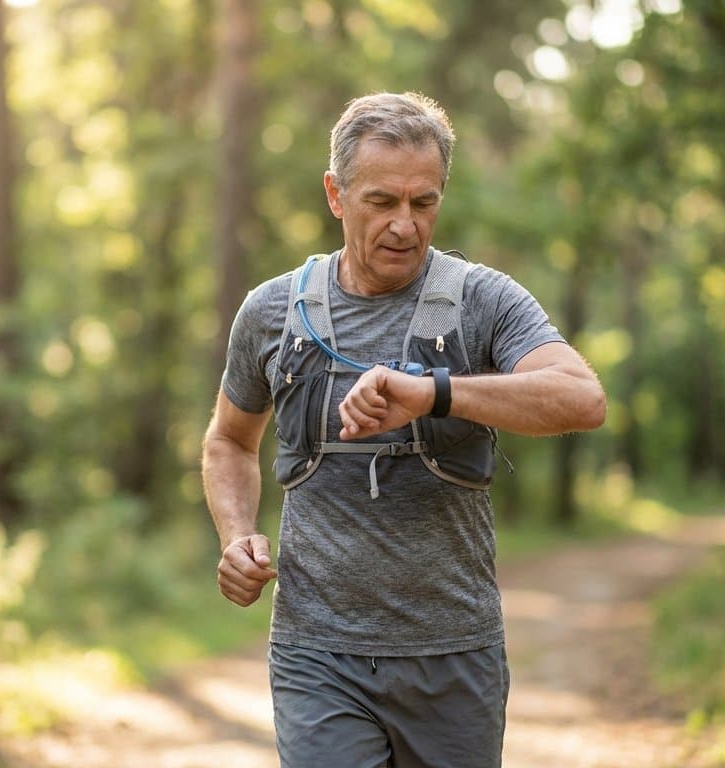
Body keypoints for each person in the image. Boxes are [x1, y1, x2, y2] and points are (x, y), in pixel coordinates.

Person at [201, 91, 606, 767]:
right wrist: (237, 535)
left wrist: (434, 393)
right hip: (317, 651)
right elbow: (229, 441)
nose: (405, 226)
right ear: (335, 194)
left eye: (424, 203)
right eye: (381, 202)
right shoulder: (272, 312)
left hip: (454, 654)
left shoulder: (484, 300)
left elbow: (582, 398)